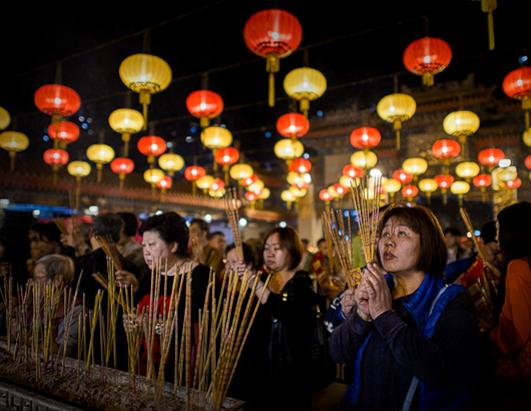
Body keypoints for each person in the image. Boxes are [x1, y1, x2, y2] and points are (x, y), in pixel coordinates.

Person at [330, 204, 481, 410]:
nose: (388, 241)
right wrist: (362, 315)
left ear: (426, 243)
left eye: (402, 233)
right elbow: (338, 353)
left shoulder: (452, 300)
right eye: (385, 234)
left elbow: (443, 372)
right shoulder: (376, 292)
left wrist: (384, 314)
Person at [232, 226, 328, 411]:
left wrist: (255, 284)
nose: (270, 253)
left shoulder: (301, 283)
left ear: (291, 250)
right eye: (267, 248)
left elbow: (285, 312)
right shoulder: (265, 279)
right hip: (260, 372)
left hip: (290, 375)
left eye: (277, 248)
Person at [122, 212, 210, 379]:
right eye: (144, 246)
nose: (146, 252)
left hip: (181, 370)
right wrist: (132, 322)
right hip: (147, 365)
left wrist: (154, 326)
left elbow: (203, 331)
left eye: (152, 245)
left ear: (173, 246)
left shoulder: (200, 276)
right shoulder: (149, 273)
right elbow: (138, 311)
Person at [490, 202, 531, 407]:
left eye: (499, 229)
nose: (497, 236)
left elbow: (517, 330)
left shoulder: (517, 268)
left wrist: (489, 336)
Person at [33, 254, 82, 357]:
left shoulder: (76, 311)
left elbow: (65, 353)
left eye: (39, 278)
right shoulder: (40, 304)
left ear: (57, 280)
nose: (33, 284)